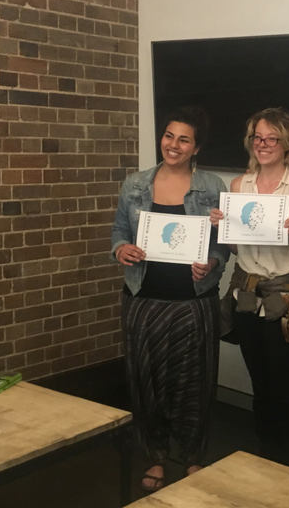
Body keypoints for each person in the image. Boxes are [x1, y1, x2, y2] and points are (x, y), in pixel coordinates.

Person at [110, 106, 230, 492]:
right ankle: (155, 457)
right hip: (143, 299)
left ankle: (192, 456)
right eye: (168, 136)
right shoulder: (135, 184)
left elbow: (224, 245)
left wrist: (212, 263)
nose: (173, 145)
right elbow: (119, 230)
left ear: (197, 148)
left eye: (184, 140)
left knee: (195, 383)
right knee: (146, 382)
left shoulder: (212, 187)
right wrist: (120, 249)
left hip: (194, 302)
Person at [209, 107, 289, 473]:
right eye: (258, 137)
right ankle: (268, 462)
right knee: (260, 385)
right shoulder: (239, 187)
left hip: (286, 301)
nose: (263, 144)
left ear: (287, 144)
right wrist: (223, 228)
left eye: (272, 138)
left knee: (285, 388)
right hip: (246, 297)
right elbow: (237, 249)